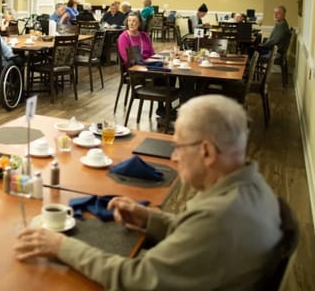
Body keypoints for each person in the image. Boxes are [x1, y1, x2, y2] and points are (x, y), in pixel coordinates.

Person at [14, 95, 283, 291]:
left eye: (179, 147)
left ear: (207, 152)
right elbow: (194, 233)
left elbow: (134, 279)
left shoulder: (220, 218)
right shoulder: (252, 187)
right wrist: (149, 218)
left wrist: (60, 246)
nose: (174, 158)